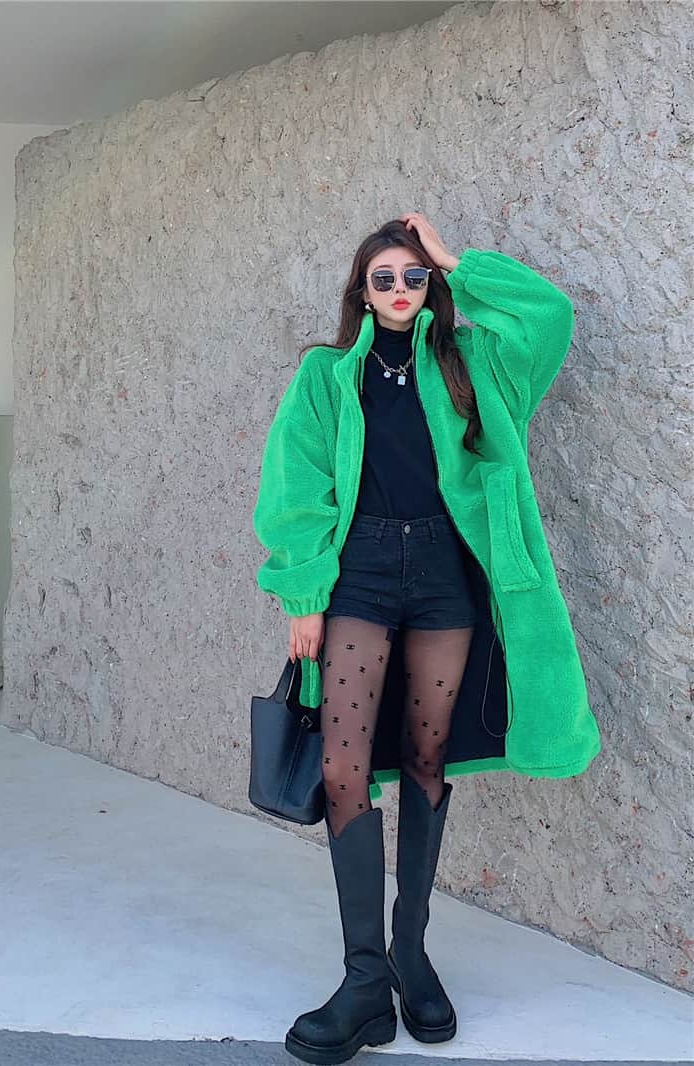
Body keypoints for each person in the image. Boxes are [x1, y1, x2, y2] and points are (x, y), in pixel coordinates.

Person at [252, 212, 601, 1065]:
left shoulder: (473, 361)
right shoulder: (326, 375)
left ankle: (411, 953)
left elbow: (549, 317)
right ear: (361, 290)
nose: (401, 290)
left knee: (425, 760)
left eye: (415, 277)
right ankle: (365, 980)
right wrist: (302, 592)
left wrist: (457, 261)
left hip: (447, 573)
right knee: (343, 767)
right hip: (361, 574)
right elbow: (295, 482)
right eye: (385, 278)